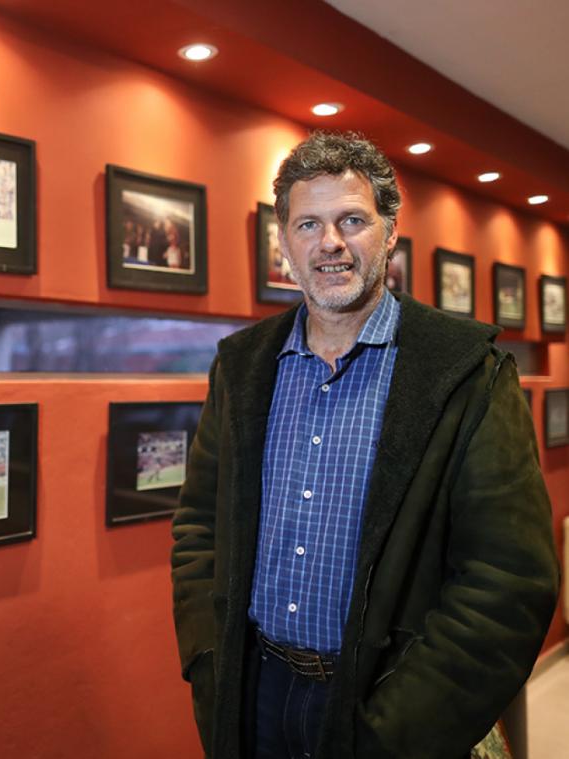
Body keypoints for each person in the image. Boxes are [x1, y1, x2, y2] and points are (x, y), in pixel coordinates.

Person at [171, 131, 558, 759]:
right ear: (285, 246)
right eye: (308, 224)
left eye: (352, 219)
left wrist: (400, 729)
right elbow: (197, 528)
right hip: (252, 694)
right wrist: (211, 664)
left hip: (388, 705)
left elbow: (508, 580)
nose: (330, 243)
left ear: (390, 234)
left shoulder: (465, 371)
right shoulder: (241, 368)